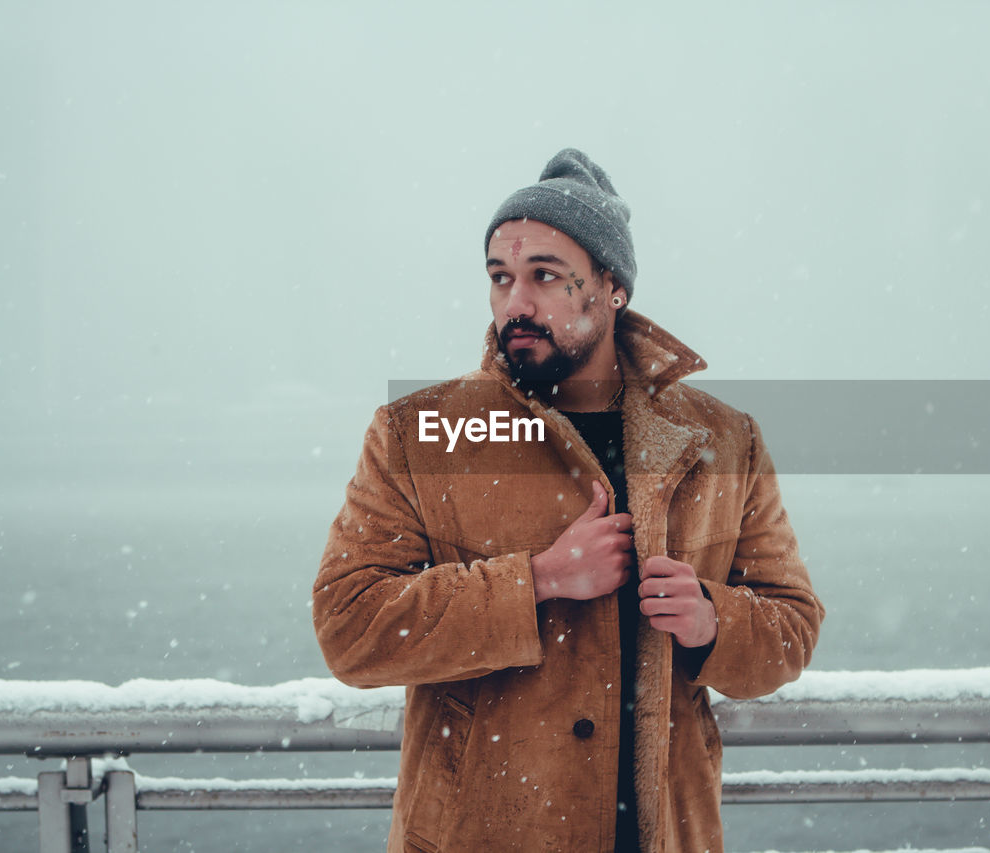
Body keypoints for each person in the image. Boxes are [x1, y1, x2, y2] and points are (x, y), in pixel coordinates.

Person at [313, 149, 825, 852]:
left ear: (611, 287)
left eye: (544, 277)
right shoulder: (420, 435)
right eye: (500, 278)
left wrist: (713, 620)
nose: (514, 304)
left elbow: (793, 626)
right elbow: (349, 626)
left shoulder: (722, 439)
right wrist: (539, 579)